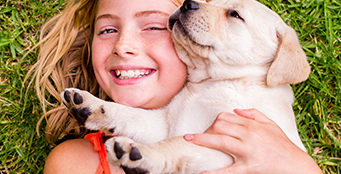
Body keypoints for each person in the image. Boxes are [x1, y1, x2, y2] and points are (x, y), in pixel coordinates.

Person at [29, 0, 322, 173]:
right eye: (107, 30)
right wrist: (108, 113)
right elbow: (168, 127)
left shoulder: (263, 113)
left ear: (278, 53)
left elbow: (220, 149)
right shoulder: (75, 162)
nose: (195, 6)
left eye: (232, 14)